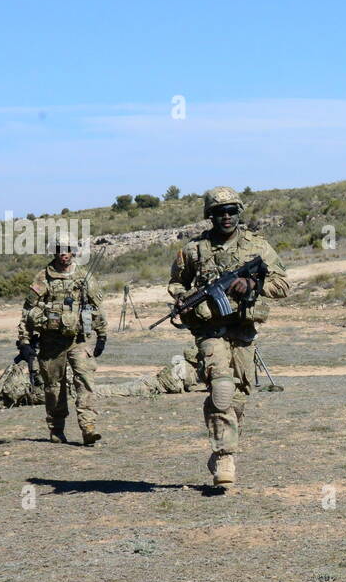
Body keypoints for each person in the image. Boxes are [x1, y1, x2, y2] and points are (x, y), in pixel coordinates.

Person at [168, 187, 289, 486]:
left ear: (239, 213)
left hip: (243, 331)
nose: (226, 217)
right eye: (220, 212)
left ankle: (223, 447)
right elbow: (175, 283)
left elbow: (283, 285)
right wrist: (182, 298)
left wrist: (251, 285)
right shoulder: (194, 250)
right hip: (210, 331)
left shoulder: (257, 246)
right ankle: (225, 456)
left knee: (237, 400)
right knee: (221, 389)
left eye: (231, 211)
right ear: (210, 216)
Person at [16, 235, 107, 445]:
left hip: (78, 340)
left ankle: (88, 428)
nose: (63, 253)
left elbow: (97, 307)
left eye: (67, 249)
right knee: (54, 387)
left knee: (85, 382)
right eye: (59, 249)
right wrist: (25, 342)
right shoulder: (43, 277)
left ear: (73, 251)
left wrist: (102, 334)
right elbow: (28, 311)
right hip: (51, 342)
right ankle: (57, 429)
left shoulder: (84, 276)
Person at [96, 347, 204, 397]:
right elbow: (190, 386)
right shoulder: (186, 368)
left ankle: (93, 389)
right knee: (118, 390)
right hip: (149, 386)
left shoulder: (183, 363)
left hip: (151, 383)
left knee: (120, 388)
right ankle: (92, 391)